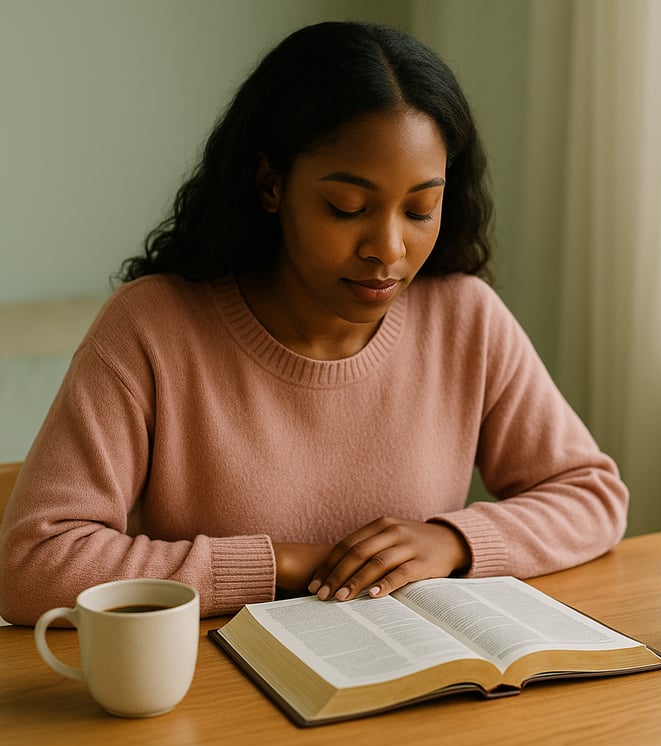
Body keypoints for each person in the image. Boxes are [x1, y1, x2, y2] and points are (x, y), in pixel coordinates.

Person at [0, 21, 627, 626]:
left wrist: (453, 541)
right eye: (346, 207)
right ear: (270, 183)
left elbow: (592, 496)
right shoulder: (151, 327)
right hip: (217, 687)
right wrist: (283, 564)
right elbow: (32, 564)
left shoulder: (465, 317)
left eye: (420, 209)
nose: (388, 249)